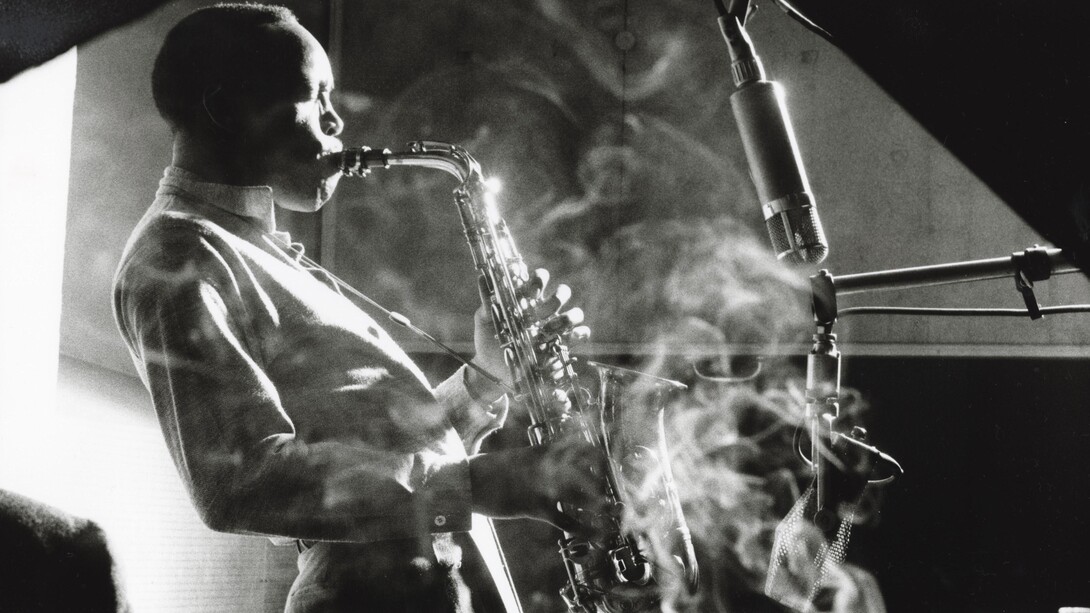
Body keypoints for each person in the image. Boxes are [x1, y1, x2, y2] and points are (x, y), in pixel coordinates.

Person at [112, 4, 603, 612]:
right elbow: (241, 483)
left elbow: (375, 442)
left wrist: (486, 377)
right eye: (314, 95)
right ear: (225, 109)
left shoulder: (256, 249)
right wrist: (475, 484)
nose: (335, 119)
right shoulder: (177, 254)